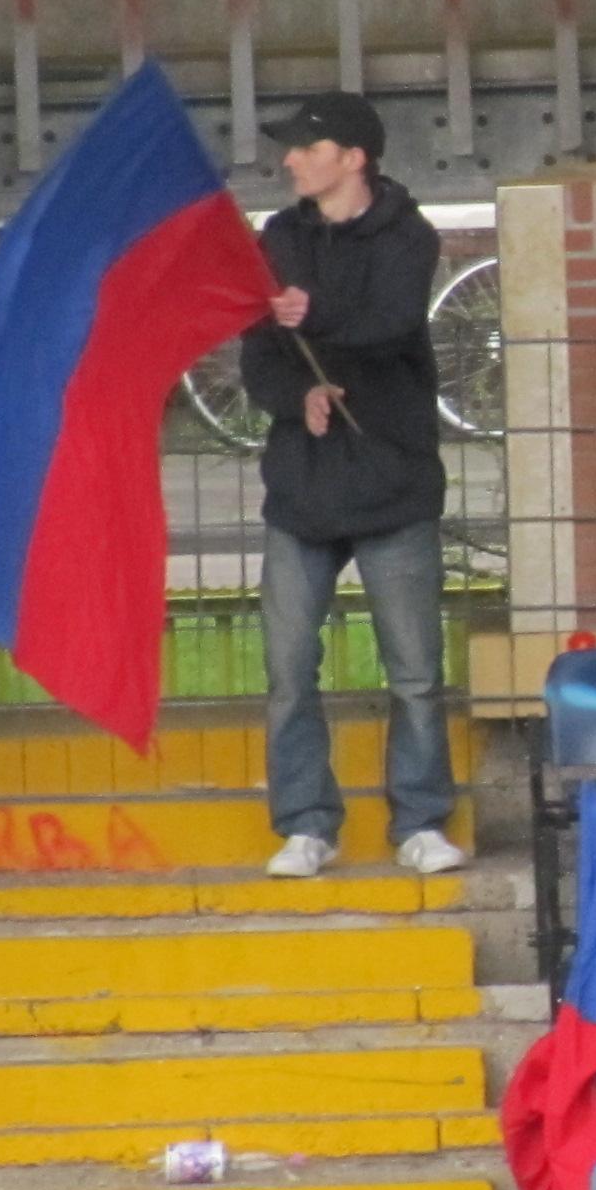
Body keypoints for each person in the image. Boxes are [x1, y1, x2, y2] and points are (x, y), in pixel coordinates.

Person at [238, 90, 465, 882]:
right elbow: (259, 351)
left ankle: (422, 822)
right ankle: (307, 825)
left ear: (354, 157)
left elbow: (390, 323)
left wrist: (313, 313)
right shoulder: (276, 238)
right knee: (288, 671)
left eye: (307, 147)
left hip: (393, 481)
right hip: (302, 489)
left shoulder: (408, 235)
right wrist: (296, 396)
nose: (290, 160)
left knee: (415, 672)